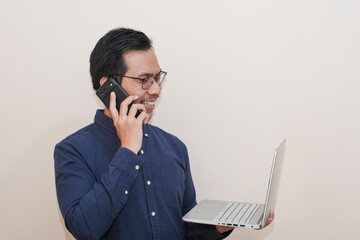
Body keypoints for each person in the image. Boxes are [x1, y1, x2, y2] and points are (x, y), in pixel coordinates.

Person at [54, 28, 272, 240]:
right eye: (144, 80)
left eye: (158, 78)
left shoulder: (174, 147)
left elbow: (184, 229)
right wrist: (128, 150)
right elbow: (84, 229)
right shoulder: (73, 150)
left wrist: (219, 225)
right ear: (109, 86)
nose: (156, 90)